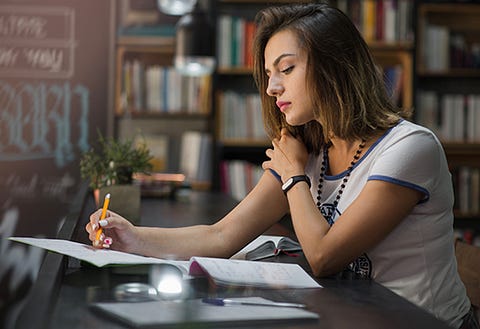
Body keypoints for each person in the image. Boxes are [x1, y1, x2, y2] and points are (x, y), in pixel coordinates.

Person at [86, 3, 478, 328]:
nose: (272, 87)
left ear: (335, 67)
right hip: (353, 315)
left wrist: (294, 177)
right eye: (270, 74)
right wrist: (134, 238)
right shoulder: (307, 148)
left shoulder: (410, 147)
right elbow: (221, 235)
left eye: (286, 69)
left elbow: (324, 258)